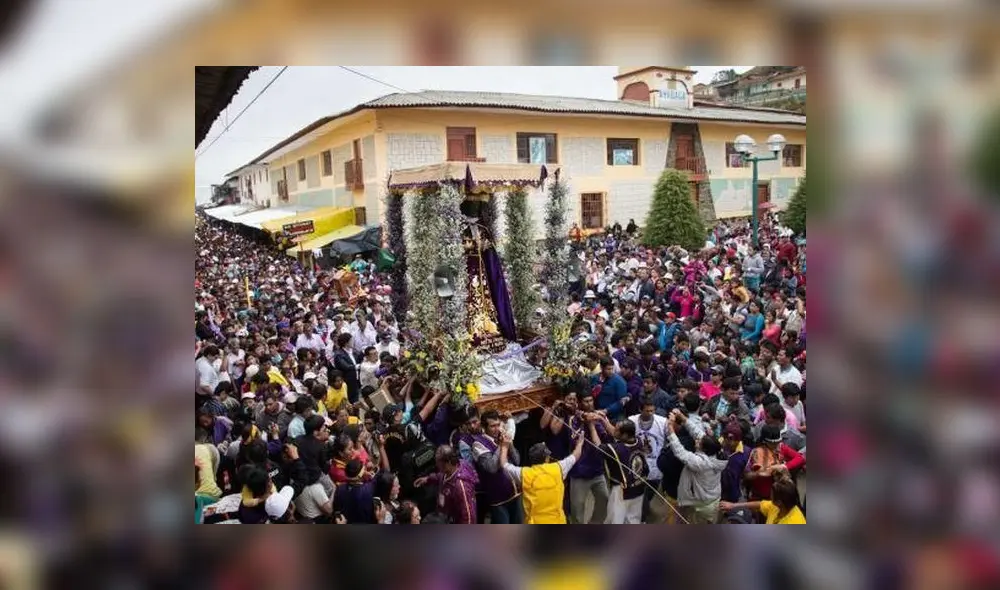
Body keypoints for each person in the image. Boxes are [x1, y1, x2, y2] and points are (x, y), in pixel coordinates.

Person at [500, 426, 585, 524]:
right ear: (547, 458)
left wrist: (504, 447)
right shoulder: (558, 468)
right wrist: (580, 443)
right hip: (557, 521)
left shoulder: (524, 474)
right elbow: (576, 455)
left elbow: (504, 465)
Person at [665, 409, 727, 524]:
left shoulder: (701, 463)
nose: (697, 440)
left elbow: (679, 451)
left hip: (702, 506)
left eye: (699, 442)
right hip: (710, 499)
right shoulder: (715, 451)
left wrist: (670, 427)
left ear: (704, 449)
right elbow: (697, 432)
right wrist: (682, 417)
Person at [470, 410, 524, 524]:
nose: (497, 429)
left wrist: (510, 444)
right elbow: (491, 467)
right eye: (493, 426)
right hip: (498, 498)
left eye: (498, 425)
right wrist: (501, 446)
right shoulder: (478, 444)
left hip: (515, 492)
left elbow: (517, 461)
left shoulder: (502, 436)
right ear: (484, 427)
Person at [592, 417, 647, 524]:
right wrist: (603, 420)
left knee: (615, 520)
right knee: (633, 520)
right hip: (638, 488)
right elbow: (616, 434)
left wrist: (592, 426)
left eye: (617, 430)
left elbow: (597, 446)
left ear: (625, 435)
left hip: (621, 491)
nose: (614, 430)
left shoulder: (618, 449)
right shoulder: (638, 441)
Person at [413, 445, 479, 524]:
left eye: (438, 463)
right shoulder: (449, 470)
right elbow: (441, 476)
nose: (437, 465)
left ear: (448, 462)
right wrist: (428, 479)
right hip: (444, 514)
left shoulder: (461, 487)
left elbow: (468, 516)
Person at [721, 465, 805, 524]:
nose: (770, 496)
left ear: (778, 502)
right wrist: (733, 505)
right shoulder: (779, 507)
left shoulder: (794, 522)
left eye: (771, 494)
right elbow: (760, 504)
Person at [744, 424, 806, 502]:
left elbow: (801, 458)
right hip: (759, 495)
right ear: (764, 441)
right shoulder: (755, 452)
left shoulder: (781, 447)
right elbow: (746, 476)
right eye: (772, 443)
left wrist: (784, 466)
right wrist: (758, 474)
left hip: (778, 495)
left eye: (777, 442)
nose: (776, 445)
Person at [629, 398, 667, 521]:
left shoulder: (662, 422)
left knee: (648, 495)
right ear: (640, 410)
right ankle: (642, 518)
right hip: (637, 466)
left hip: (655, 467)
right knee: (640, 496)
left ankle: (642, 512)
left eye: (652, 411)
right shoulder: (631, 421)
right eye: (647, 411)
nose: (650, 413)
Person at [331, 333, 361, 404]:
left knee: (356, 400)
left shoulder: (353, 351)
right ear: (346, 343)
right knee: (350, 401)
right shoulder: (339, 354)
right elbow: (346, 366)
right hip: (347, 381)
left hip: (356, 380)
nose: (353, 342)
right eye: (351, 340)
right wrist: (358, 366)